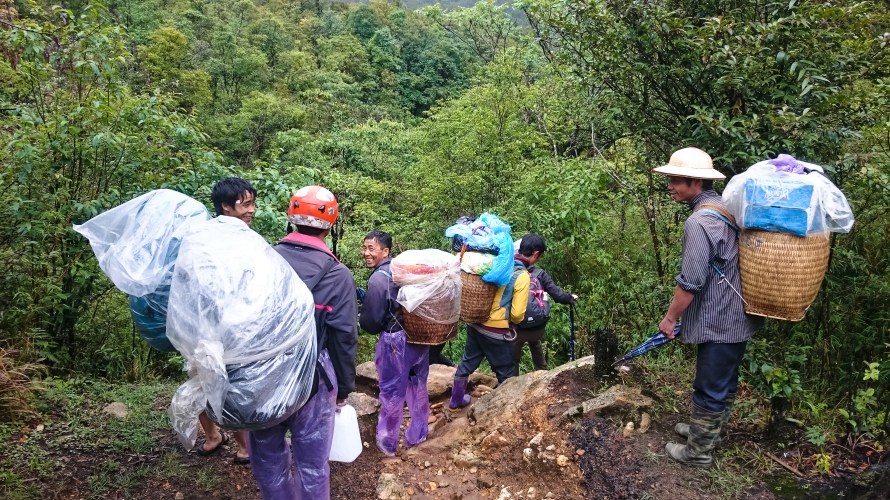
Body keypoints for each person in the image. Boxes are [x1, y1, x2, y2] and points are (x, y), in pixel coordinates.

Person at [653, 147, 762, 467]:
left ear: (696, 183)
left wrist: (670, 318)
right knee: (723, 381)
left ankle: (698, 451)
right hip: (739, 315)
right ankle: (708, 431)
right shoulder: (723, 208)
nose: (670, 185)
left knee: (709, 385)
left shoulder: (700, 221)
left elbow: (690, 280)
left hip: (721, 319)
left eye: (676, 180)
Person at [249, 185, 358, 498]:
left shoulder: (262, 260)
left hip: (263, 372)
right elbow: (343, 338)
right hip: (315, 377)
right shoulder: (337, 275)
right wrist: (345, 388)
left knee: (268, 458)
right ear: (331, 225)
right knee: (312, 464)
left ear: (291, 217)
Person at [196, 177, 255, 464]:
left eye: (252, 203)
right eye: (246, 204)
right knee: (213, 382)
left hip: (220, 326)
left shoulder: (205, 235)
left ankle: (237, 444)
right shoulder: (219, 238)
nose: (252, 210)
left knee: (219, 382)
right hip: (216, 327)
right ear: (226, 207)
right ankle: (218, 438)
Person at [359, 230, 431, 456]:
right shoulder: (403, 272)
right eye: (365, 248)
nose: (366, 253)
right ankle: (418, 435)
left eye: (371, 249)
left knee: (391, 391)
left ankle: (387, 443)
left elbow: (371, 322)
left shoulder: (379, 278)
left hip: (395, 342)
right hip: (419, 337)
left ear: (385, 251)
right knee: (418, 386)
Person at [448, 241, 531, 409]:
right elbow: (517, 314)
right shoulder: (521, 275)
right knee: (505, 371)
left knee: (467, 362)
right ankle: (504, 410)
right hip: (496, 331)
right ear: (536, 254)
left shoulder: (495, 265)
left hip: (476, 321)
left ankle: (455, 400)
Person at [511, 234, 577, 375]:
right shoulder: (540, 273)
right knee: (535, 343)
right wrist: (570, 298)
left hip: (517, 330)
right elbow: (558, 295)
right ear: (535, 254)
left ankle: (512, 380)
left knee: (513, 357)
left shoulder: (509, 271)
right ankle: (543, 373)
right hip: (537, 329)